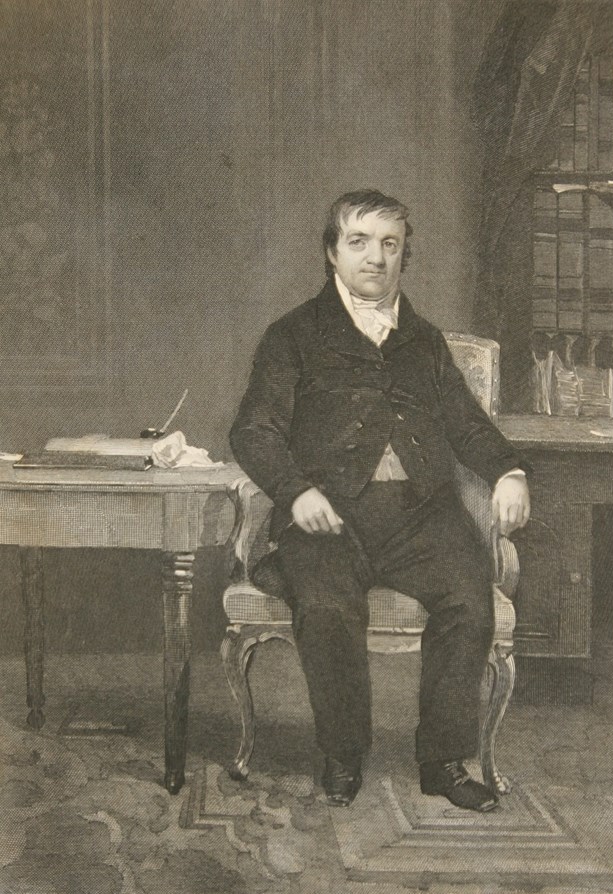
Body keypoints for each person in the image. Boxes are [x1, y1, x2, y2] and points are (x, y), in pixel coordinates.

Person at [230, 190, 530, 811]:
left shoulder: (422, 339)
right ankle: (342, 754)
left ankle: (442, 762)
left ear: (404, 256)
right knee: (328, 606)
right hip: (329, 515)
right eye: (360, 242)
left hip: (421, 514)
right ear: (331, 254)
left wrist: (509, 471)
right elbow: (253, 431)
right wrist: (296, 491)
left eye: (390, 244)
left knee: (470, 600)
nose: (376, 257)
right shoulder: (293, 335)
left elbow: (466, 425)